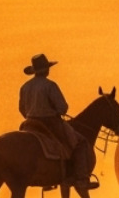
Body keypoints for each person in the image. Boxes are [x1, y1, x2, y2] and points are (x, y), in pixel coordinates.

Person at [20, 53, 96, 189]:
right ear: (46, 70)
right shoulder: (50, 85)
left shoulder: (25, 87)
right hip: (50, 123)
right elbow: (63, 108)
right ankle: (81, 179)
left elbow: (22, 109)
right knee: (80, 143)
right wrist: (55, 112)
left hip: (30, 123)